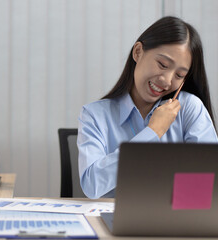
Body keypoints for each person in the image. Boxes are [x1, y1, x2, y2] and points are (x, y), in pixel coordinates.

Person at [77, 16, 218, 199]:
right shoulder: (94, 115)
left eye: (179, 75)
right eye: (162, 65)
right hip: (112, 222)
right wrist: (153, 132)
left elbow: (207, 182)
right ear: (138, 52)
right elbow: (92, 185)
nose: (166, 81)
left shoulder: (189, 108)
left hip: (175, 223)